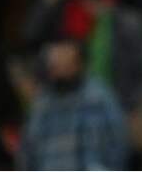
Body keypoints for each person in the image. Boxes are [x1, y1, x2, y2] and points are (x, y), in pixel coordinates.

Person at [17, 38, 128, 170]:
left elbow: (119, 145)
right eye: (54, 66)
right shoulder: (42, 104)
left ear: (78, 63)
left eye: (64, 57)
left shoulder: (99, 98)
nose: (57, 61)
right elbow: (27, 153)